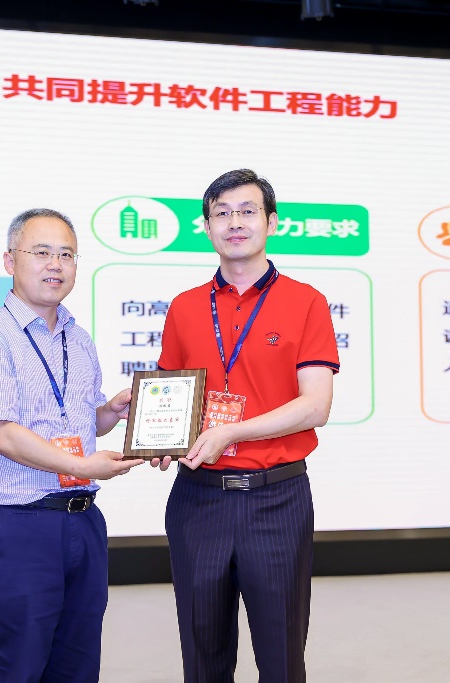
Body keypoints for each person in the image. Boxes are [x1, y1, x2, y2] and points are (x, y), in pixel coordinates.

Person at [153, 169, 340, 682]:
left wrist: (232, 432)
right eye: (222, 213)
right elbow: (171, 397)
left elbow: (315, 406)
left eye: (247, 211)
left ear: (271, 222)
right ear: (206, 227)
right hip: (198, 499)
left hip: (276, 499)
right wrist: (155, 432)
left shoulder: (306, 301)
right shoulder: (184, 307)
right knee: (202, 654)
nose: (234, 223)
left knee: (281, 655)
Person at [0, 208, 142, 682]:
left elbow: (82, 421)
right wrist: (84, 465)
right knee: (17, 665)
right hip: (19, 525)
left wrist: (112, 411)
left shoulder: (78, 340)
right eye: (41, 252)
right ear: (9, 260)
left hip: (83, 522)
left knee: (77, 664)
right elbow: (1, 434)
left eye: (66, 254)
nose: (55, 265)